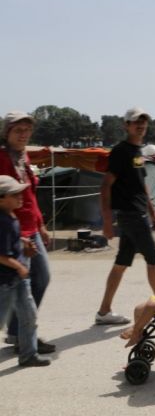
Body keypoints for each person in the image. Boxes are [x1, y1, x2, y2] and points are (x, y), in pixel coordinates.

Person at [95, 107, 155, 325]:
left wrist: (152, 211)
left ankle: (104, 312)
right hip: (131, 215)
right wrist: (107, 222)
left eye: (144, 122)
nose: (141, 125)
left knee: (121, 263)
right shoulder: (121, 151)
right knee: (153, 260)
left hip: (136, 213)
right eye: (136, 122)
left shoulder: (138, 152)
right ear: (126, 125)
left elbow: (140, 183)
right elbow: (106, 187)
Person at [0, 111, 56, 355]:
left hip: (32, 228)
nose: (23, 135)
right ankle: (22, 336)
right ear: (7, 133)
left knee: (38, 279)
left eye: (26, 130)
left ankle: (18, 333)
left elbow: (30, 195)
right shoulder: (2, 158)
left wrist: (41, 224)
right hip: (15, 230)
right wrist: (17, 235)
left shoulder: (24, 156)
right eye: (17, 130)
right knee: (24, 283)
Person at [0, 175, 51, 367]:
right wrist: (20, 266)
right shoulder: (2, 223)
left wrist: (21, 242)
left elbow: (10, 243)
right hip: (5, 282)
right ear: (2, 198)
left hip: (19, 280)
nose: (21, 196)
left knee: (28, 315)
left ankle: (28, 355)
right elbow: (1, 256)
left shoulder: (11, 217)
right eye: (15, 194)